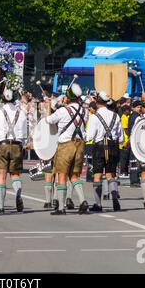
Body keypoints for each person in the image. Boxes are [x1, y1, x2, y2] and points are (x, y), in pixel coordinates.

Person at [45, 83, 89, 215]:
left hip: (65, 145)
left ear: (68, 97)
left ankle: (61, 208)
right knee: (74, 176)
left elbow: (48, 120)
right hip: (79, 145)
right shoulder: (84, 111)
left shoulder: (63, 111)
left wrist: (49, 106)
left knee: (62, 175)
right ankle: (82, 201)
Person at [86, 91, 123, 212]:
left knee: (97, 175)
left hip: (99, 147)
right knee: (110, 174)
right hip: (113, 146)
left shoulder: (94, 116)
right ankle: (115, 201)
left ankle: (98, 204)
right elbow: (121, 137)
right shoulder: (116, 116)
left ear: (97, 102)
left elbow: (90, 136)